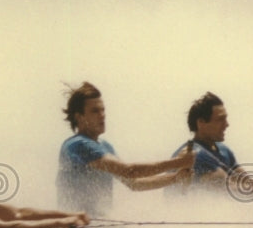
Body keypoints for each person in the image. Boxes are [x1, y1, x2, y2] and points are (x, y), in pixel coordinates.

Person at [57, 81, 193, 217]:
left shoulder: (104, 146)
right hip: (78, 227)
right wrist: (178, 162)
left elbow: (134, 183)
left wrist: (175, 178)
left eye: (103, 110)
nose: (102, 115)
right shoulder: (78, 145)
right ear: (79, 117)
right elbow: (129, 171)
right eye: (95, 111)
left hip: (101, 223)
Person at [174, 92, 253, 197]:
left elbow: (247, 183)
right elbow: (229, 190)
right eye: (220, 120)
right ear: (201, 123)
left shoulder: (224, 150)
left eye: (226, 119)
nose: (227, 124)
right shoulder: (195, 155)